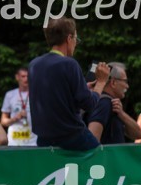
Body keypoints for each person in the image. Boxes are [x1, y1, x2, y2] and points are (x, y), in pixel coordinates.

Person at [29, 17, 110, 150]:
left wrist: (84, 88)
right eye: (76, 39)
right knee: (100, 161)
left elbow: (54, 99)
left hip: (44, 139)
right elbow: (89, 104)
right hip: (71, 136)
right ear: (69, 38)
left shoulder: (34, 65)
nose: (75, 44)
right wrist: (101, 82)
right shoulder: (69, 64)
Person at [84, 62, 141, 144]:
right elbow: (92, 141)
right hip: (106, 157)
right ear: (113, 82)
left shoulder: (114, 106)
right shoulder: (104, 103)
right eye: (125, 81)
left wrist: (122, 114)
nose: (127, 86)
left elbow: (138, 134)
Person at [0, 66, 37, 146]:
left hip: (32, 141)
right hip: (14, 142)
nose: (26, 79)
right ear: (17, 77)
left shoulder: (37, 94)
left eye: (28, 76)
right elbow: (3, 122)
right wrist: (15, 118)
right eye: (23, 76)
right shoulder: (10, 95)